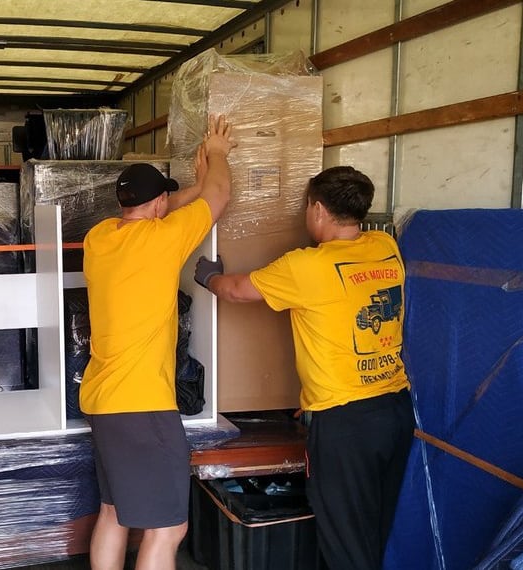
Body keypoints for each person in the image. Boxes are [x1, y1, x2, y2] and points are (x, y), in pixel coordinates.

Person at [194, 166, 415, 570]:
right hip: (395, 411)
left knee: (345, 540)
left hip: (345, 423)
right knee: (375, 528)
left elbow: (237, 291)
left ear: (317, 209)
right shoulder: (385, 246)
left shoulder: (306, 266)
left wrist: (210, 277)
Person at [81, 115, 235, 570]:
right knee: (168, 528)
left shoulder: (100, 238)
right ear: (160, 203)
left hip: (104, 400)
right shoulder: (163, 239)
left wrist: (193, 185)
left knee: (114, 512)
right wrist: (220, 154)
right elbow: (218, 198)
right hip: (143, 405)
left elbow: (177, 204)